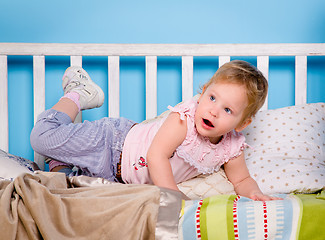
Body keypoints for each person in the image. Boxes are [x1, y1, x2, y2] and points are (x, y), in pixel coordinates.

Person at [30, 60, 280, 201]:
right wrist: (175, 197)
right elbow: (155, 156)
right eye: (213, 98)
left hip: (116, 178)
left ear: (242, 122)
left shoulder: (231, 147)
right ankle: (79, 93)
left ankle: (58, 160)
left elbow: (242, 179)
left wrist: (255, 194)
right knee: (40, 138)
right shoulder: (184, 118)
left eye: (228, 110)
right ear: (202, 93)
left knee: (65, 192)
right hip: (112, 143)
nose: (214, 110)